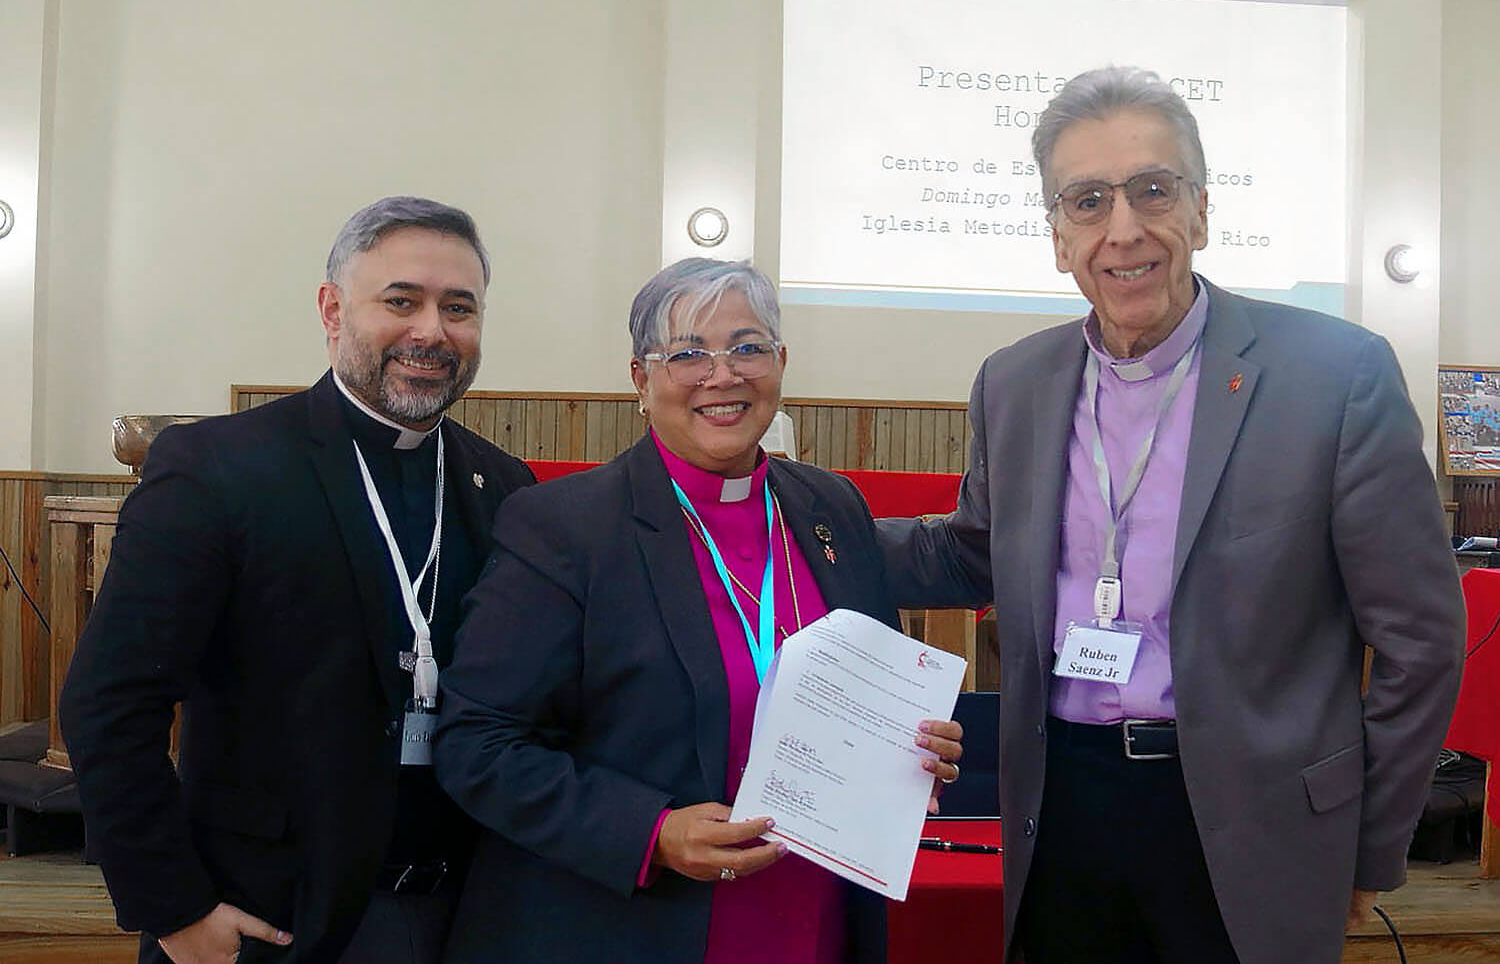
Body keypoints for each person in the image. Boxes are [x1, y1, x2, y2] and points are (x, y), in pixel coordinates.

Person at [877, 67, 1464, 964]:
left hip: (1253, 819)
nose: (1124, 230)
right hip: (1060, 806)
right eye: (1087, 200)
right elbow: (974, 555)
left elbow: (1421, 640)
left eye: (1153, 190)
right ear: (1056, 233)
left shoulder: (1334, 376)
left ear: (1199, 209)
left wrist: (1371, 844)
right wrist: (795, 524)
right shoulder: (1015, 381)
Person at [432, 258, 963, 963]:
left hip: (815, 916)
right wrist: (651, 833)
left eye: (748, 347)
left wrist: (913, 746)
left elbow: (870, 689)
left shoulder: (830, 507)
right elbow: (478, 745)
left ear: (780, 362)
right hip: (639, 923)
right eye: (687, 353)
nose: (723, 375)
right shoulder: (565, 527)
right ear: (640, 381)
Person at [59, 196, 536, 964]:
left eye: (458, 307)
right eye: (401, 300)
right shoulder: (220, 468)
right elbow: (109, 703)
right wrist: (174, 907)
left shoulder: (503, 486)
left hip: (466, 914)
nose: (431, 331)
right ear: (331, 308)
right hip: (268, 917)